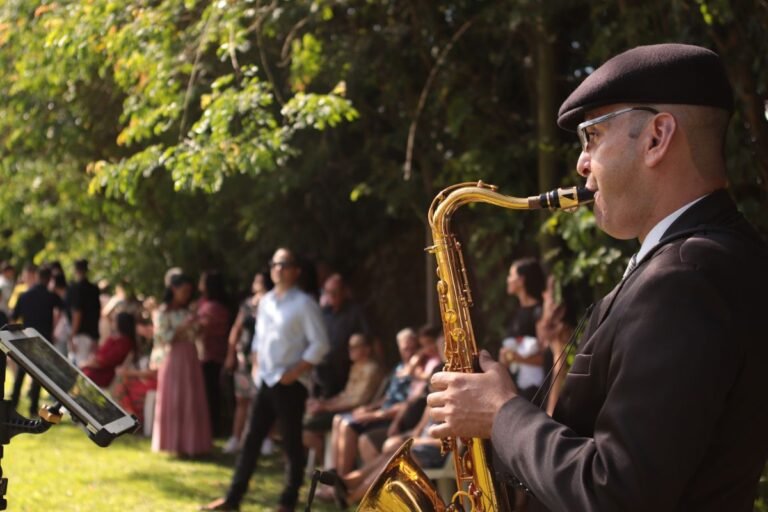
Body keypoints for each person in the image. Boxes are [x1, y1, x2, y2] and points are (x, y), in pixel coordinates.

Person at [427, 43, 768, 511]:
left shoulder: (686, 278)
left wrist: (501, 413)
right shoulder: (704, 260)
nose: (581, 164)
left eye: (592, 137)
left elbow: (615, 492)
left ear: (657, 137)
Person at [202, 247, 330, 512]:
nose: (278, 269)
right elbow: (259, 340)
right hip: (266, 381)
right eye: (275, 264)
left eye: (285, 264)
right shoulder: (266, 301)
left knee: (292, 444)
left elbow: (320, 344)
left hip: (290, 384)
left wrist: (295, 372)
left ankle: (287, 503)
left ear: (296, 271)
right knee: (250, 441)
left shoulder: (304, 304)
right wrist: (257, 368)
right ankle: (233, 499)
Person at [152, 273, 212, 456]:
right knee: (175, 397)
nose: (186, 295)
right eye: (183, 291)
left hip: (190, 356)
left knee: (191, 398)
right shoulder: (163, 312)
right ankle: (173, 443)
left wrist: (199, 326)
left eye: (189, 291)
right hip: (173, 357)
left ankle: (193, 443)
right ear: (174, 290)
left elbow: (196, 334)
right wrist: (181, 328)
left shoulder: (189, 312)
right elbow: (161, 337)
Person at [303, 333, 383, 466]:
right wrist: (323, 403)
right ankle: (326, 464)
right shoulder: (356, 366)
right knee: (306, 421)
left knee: (308, 424)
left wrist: (325, 407)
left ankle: (330, 465)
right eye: (349, 346)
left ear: (367, 349)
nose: (350, 350)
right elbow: (346, 395)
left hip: (357, 412)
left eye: (355, 346)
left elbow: (358, 401)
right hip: (344, 409)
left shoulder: (371, 369)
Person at [222, 271, 272, 454]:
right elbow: (236, 329)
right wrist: (230, 355)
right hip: (245, 358)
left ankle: (266, 439)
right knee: (242, 399)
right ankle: (236, 437)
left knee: (264, 400)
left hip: (266, 359)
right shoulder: (247, 305)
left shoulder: (273, 304)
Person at [11, 264, 63, 416]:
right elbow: (62, 309)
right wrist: (54, 328)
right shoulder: (51, 296)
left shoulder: (24, 295)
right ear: (49, 279)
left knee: (21, 373)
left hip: (26, 339)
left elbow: (13, 318)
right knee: (39, 376)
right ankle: (33, 407)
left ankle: (13, 403)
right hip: (43, 340)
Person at [498, 257, 547, 401]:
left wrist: (515, 357)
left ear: (521, 280)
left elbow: (546, 357)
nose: (508, 280)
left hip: (535, 392)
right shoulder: (515, 312)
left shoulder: (539, 312)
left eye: (511, 275)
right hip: (516, 389)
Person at [314, 273, 369, 399]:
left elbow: (369, 337)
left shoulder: (355, 311)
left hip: (346, 369)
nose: (331, 295)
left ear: (344, 291)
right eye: (328, 292)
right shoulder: (322, 312)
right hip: (323, 369)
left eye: (335, 291)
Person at [196, 269, 231, 437]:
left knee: (211, 394)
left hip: (212, 356)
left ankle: (212, 429)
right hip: (206, 356)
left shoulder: (214, 308)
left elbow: (200, 327)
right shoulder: (205, 303)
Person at [81, 311, 136, 388]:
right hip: (92, 370)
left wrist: (85, 364)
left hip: (101, 376)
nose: (112, 323)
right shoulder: (115, 338)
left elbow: (105, 361)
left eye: (115, 321)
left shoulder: (124, 343)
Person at [66, 259, 101, 365]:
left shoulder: (75, 289)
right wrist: (96, 337)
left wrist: (71, 336)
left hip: (79, 335)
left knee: (79, 367)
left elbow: (77, 313)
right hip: (92, 335)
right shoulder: (94, 289)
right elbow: (97, 314)